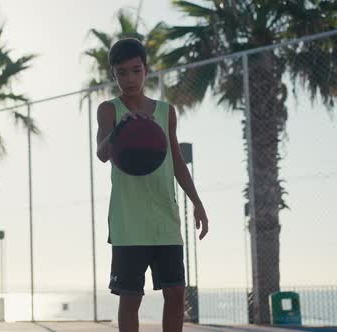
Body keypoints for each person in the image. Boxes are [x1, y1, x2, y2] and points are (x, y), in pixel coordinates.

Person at [95, 38, 209, 332]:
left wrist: (197, 202)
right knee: (131, 298)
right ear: (114, 74)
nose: (130, 79)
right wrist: (121, 128)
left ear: (146, 70)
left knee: (175, 293)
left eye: (135, 70)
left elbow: (177, 162)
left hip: (164, 218)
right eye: (122, 73)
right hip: (128, 221)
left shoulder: (166, 111)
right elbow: (102, 154)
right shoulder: (109, 110)